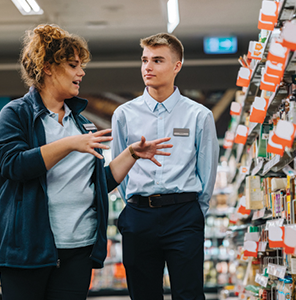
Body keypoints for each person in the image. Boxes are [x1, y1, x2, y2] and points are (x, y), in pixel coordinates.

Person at [0, 24, 172, 300]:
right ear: (48, 67)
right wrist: (70, 144)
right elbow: (12, 164)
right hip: (28, 250)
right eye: (73, 65)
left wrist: (131, 154)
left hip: (78, 250)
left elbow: (97, 183)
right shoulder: (16, 114)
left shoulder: (80, 123)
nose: (81, 73)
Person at [111, 33, 219, 300]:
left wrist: (194, 212)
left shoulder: (199, 115)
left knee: (189, 294)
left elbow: (207, 172)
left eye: (157, 60)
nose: (148, 67)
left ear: (177, 66)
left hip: (183, 215)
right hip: (138, 216)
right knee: (143, 295)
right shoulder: (124, 115)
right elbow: (118, 170)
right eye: (145, 60)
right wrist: (135, 204)